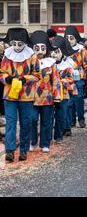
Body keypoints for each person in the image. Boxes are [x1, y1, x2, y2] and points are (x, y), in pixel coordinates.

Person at [0, 28, 40, 162]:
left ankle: (23, 150)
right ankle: (10, 151)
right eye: (14, 43)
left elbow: (37, 75)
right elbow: (1, 73)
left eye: (20, 44)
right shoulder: (7, 55)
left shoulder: (32, 56)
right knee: (10, 123)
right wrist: (7, 78)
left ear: (24, 43)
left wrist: (26, 79)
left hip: (26, 95)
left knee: (26, 123)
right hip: (10, 95)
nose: (16, 47)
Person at [30, 31, 61, 153]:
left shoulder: (51, 63)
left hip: (47, 98)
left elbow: (56, 81)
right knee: (32, 120)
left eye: (42, 48)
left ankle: (45, 143)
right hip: (31, 97)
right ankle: (32, 142)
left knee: (46, 122)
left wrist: (57, 97)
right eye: (37, 48)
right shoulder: (28, 62)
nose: (40, 51)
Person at [64, 26, 87, 128]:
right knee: (69, 102)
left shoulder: (81, 50)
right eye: (67, 38)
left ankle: (81, 119)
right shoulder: (63, 50)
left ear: (76, 38)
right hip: (67, 79)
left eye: (71, 38)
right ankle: (72, 121)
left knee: (79, 99)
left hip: (79, 78)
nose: (69, 40)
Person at [51, 36, 77, 142]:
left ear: (62, 53)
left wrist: (59, 82)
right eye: (52, 52)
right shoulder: (47, 64)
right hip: (50, 94)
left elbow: (70, 79)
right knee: (49, 117)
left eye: (56, 52)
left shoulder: (67, 65)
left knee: (61, 115)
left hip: (63, 94)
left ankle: (58, 135)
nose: (54, 55)